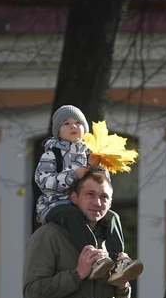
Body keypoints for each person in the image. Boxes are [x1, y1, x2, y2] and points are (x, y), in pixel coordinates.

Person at [34, 104, 143, 285]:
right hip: (54, 204)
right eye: (66, 124)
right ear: (58, 132)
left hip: (81, 202)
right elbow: (43, 181)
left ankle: (118, 262)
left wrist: (94, 166)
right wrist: (71, 176)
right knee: (72, 214)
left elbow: (103, 183)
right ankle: (95, 258)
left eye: (77, 123)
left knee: (112, 216)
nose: (73, 127)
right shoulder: (52, 154)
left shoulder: (90, 152)